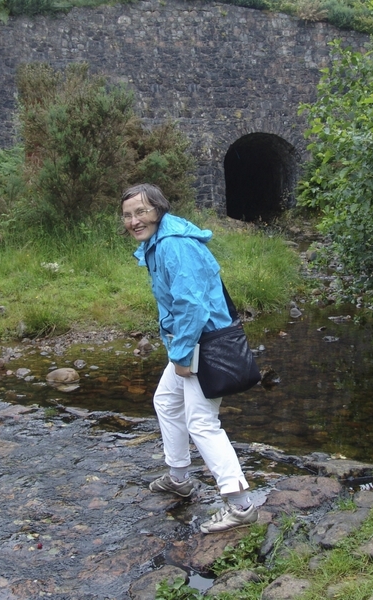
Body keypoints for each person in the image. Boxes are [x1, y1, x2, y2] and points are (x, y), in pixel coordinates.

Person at [121, 183, 258, 534]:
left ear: (159, 210)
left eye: (141, 212)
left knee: (202, 422)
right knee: (166, 401)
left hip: (201, 340)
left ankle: (241, 506)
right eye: (128, 215)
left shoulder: (174, 246)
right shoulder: (162, 240)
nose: (135, 220)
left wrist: (182, 354)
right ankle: (180, 478)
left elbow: (192, 306)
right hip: (192, 338)